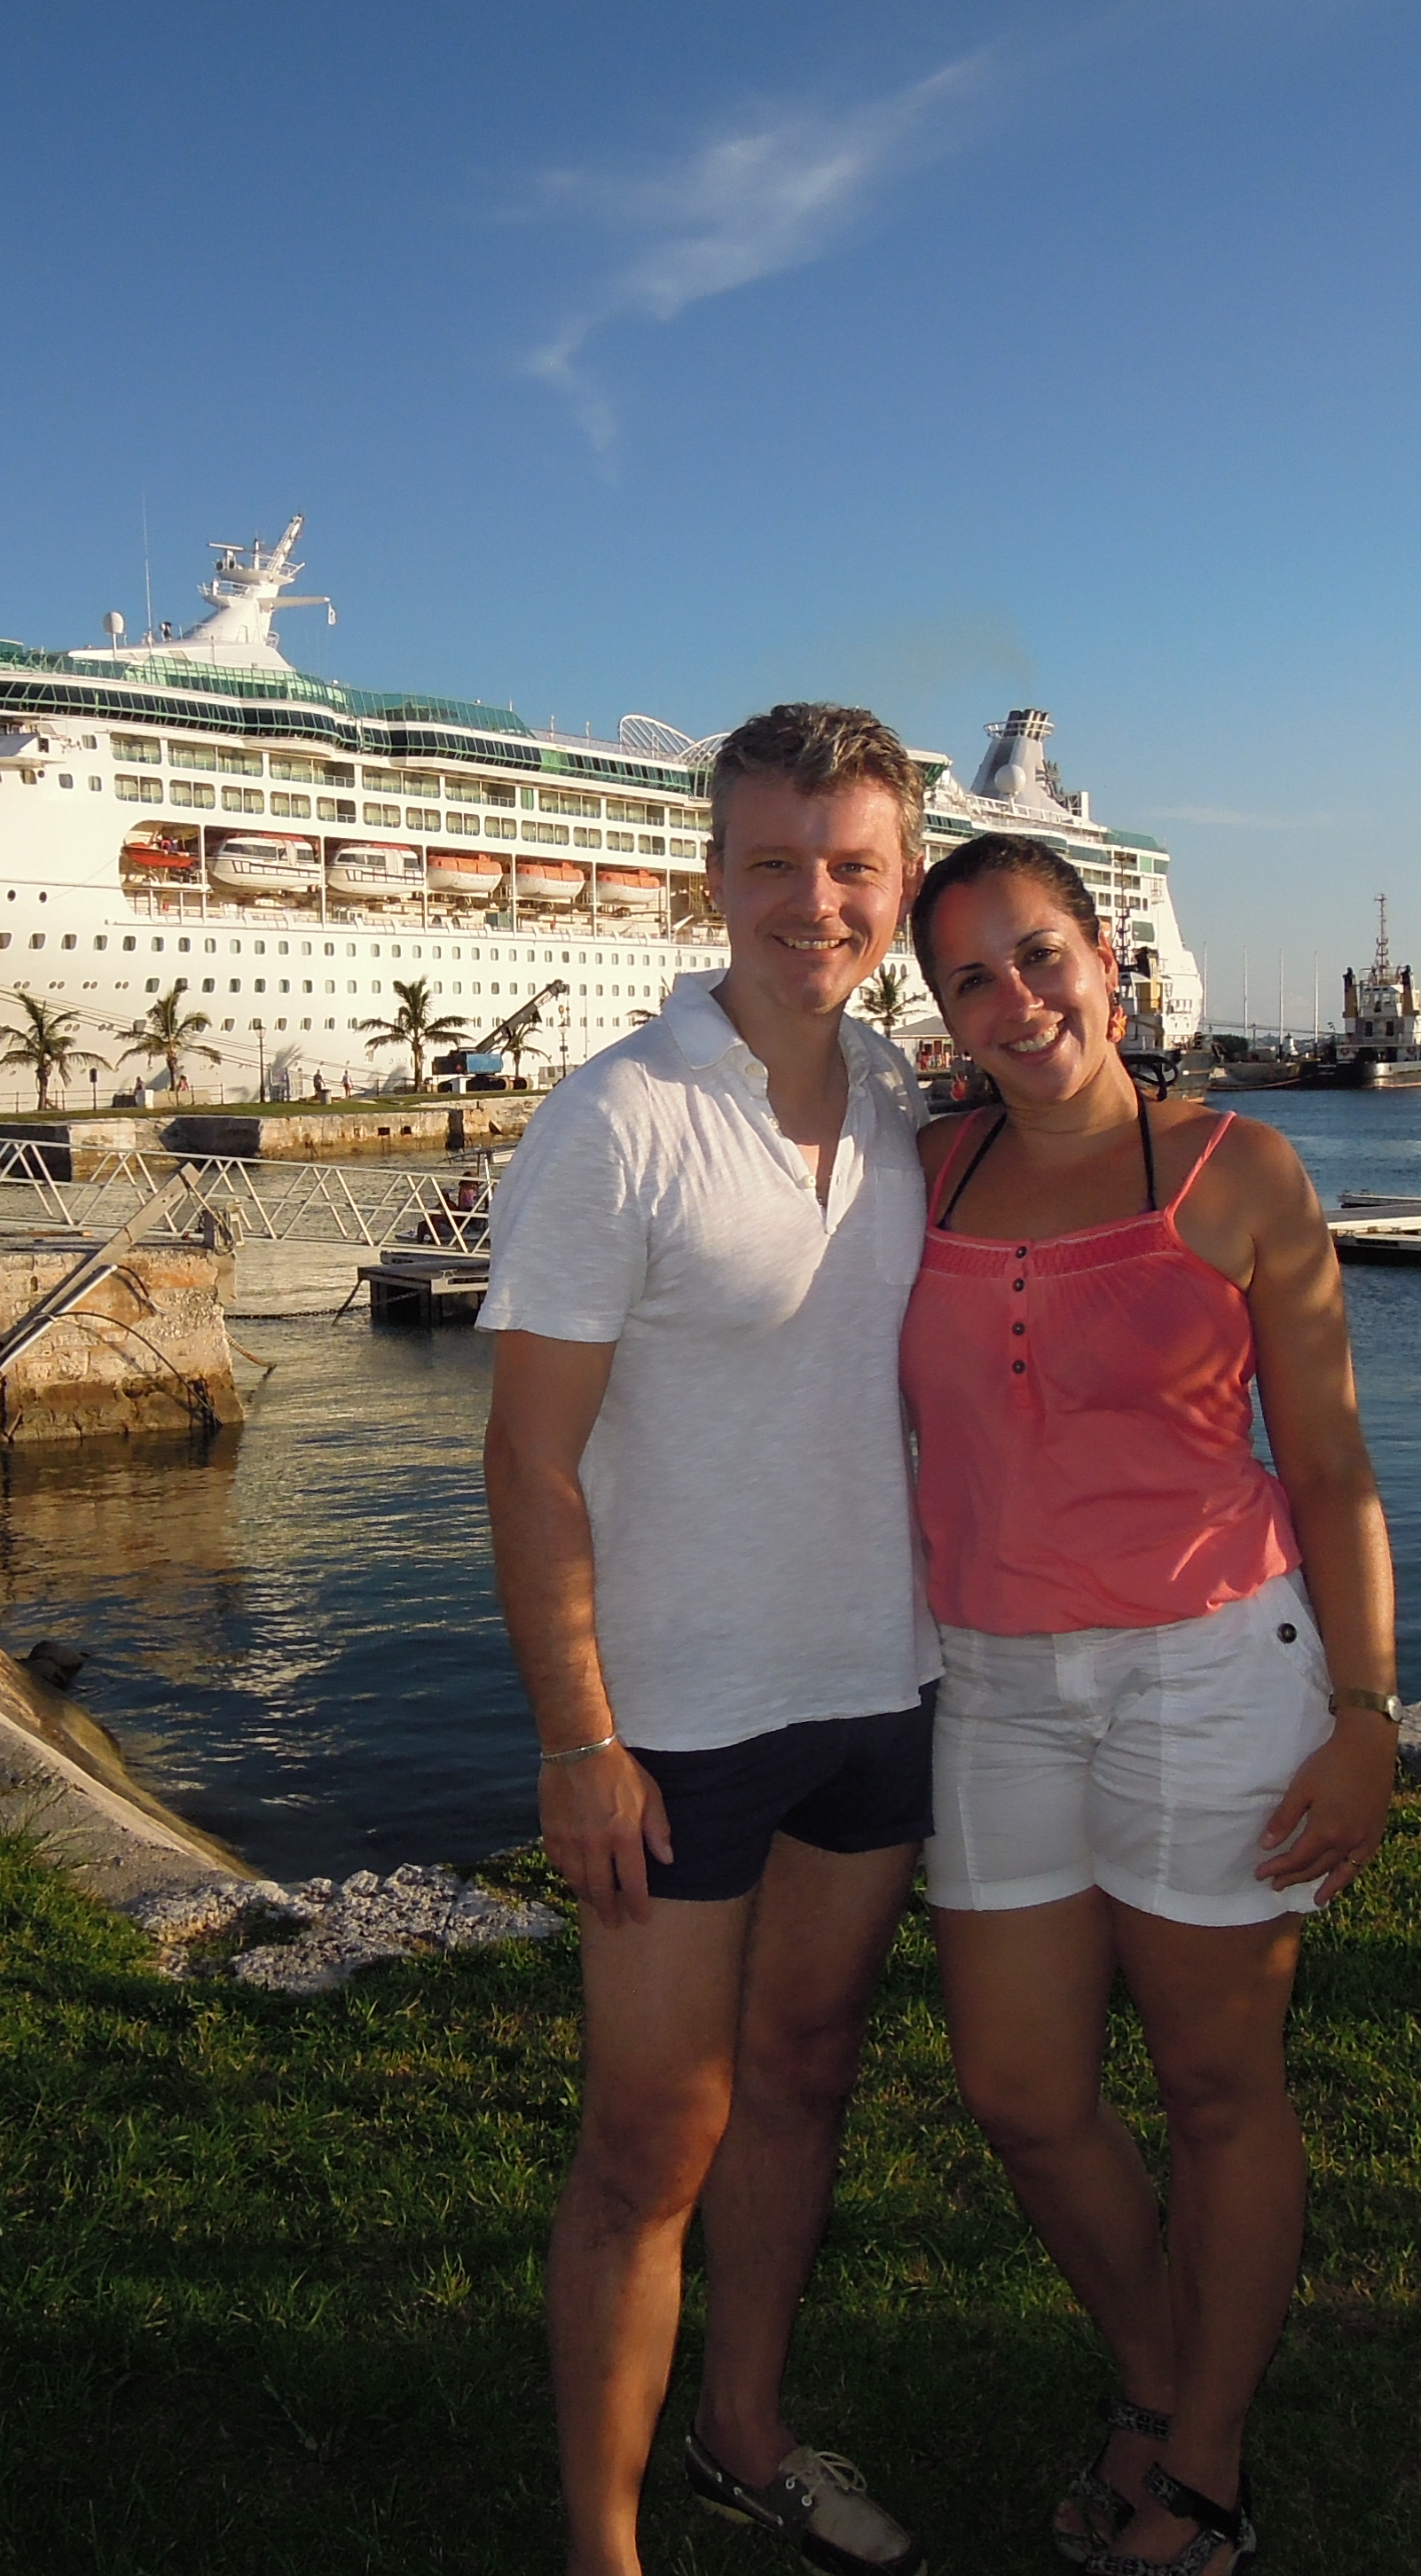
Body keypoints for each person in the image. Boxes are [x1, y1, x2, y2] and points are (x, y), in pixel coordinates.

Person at [898, 834, 1398, 2576]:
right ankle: (1160, 2372)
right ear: (941, 1013)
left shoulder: (1237, 1172)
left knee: (1215, 2085)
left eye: (1038, 953)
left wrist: (1364, 1709)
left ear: (1105, 957)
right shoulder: (923, 1175)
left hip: (1211, 1663)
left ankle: (1200, 2462)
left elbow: (1328, 1465)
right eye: (970, 977)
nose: (1016, 1001)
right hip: (989, 1680)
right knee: (1020, 2091)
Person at [482, 703, 938, 2576]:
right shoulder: (617, 1117)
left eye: (851, 867)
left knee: (807, 2075)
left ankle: (743, 2436)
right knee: (648, 2142)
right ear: (713, 877)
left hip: (878, 1691)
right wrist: (577, 1736)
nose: (812, 903)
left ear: (900, 881)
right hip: (672, 1722)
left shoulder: (904, 1103)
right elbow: (526, 1459)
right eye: (772, 864)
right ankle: (602, 2551)